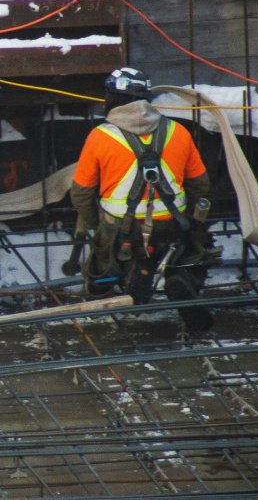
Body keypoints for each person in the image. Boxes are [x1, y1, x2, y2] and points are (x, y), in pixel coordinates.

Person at [70, 67, 215, 333]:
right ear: (147, 97)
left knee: (103, 257)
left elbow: (80, 194)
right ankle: (181, 277)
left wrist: (97, 225)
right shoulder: (178, 131)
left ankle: (123, 277)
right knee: (193, 249)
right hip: (173, 223)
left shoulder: (99, 137)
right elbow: (201, 184)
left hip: (120, 228)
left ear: (110, 98)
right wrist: (189, 218)